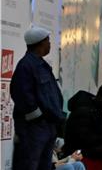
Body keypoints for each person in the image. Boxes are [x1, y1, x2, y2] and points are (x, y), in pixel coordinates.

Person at [10, 25, 66, 170]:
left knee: (44, 165)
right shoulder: (26, 65)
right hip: (34, 128)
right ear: (40, 43)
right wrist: (37, 116)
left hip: (46, 126)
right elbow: (21, 93)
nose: (50, 44)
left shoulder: (41, 65)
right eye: (48, 41)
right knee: (29, 164)